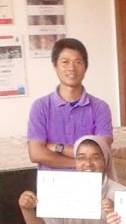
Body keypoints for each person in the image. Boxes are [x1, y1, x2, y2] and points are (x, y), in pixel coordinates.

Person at [18, 135, 126, 224]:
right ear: (75, 162)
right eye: (81, 158)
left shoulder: (122, 194)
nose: (88, 163)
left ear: (106, 161)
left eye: (95, 158)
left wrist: (116, 212)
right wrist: (26, 209)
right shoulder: (64, 191)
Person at [27, 38, 112, 170]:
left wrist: (57, 147)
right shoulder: (40, 107)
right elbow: (36, 154)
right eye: (65, 62)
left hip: (89, 182)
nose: (71, 68)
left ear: (86, 67)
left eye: (78, 62)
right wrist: (83, 164)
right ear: (55, 66)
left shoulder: (100, 107)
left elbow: (102, 152)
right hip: (51, 184)